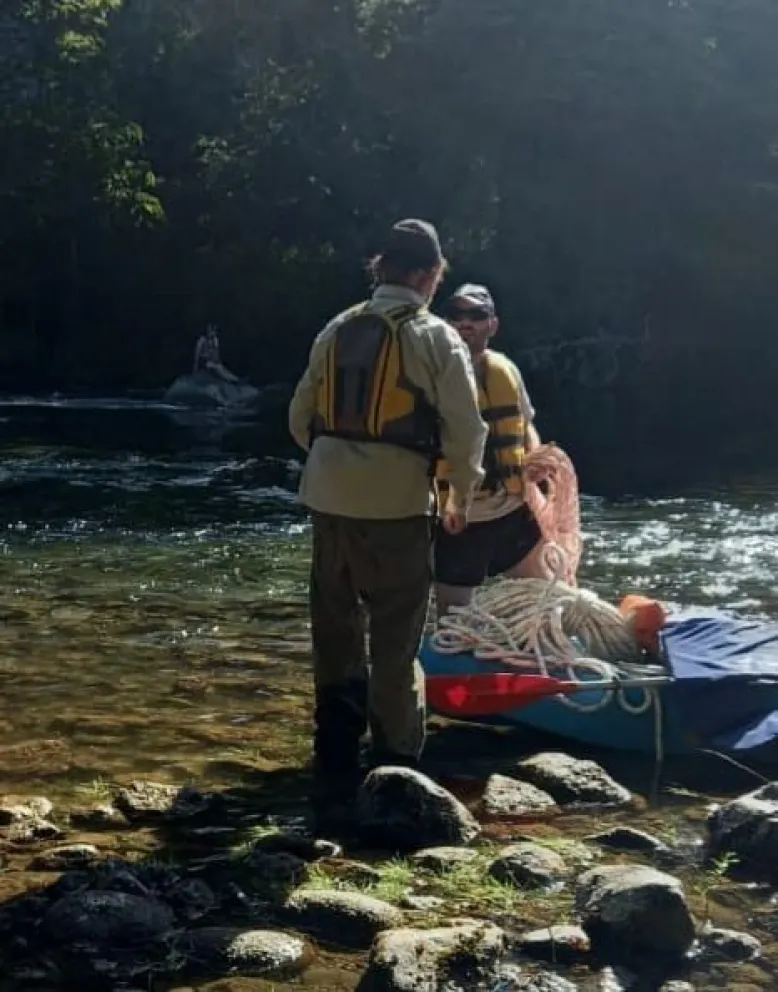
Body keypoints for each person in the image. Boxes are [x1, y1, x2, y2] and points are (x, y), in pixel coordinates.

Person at [288, 219, 488, 825]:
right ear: (428, 276)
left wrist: (335, 465)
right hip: (399, 503)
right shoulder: (436, 337)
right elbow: (466, 430)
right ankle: (397, 766)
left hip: (328, 497)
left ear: (381, 269)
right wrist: (458, 497)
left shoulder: (336, 327)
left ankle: (334, 758)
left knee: (336, 627)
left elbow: (300, 418)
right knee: (397, 637)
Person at [434, 283, 543, 618]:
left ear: (492, 325)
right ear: (445, 322)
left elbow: (526, 427)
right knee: (454, 627)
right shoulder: (430, 376)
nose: (466, 323)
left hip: (513, 511)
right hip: (458, 521)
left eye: (477, 315)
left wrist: (538, 463)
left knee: (541, 610)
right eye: (456, 315)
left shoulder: (506, 369)